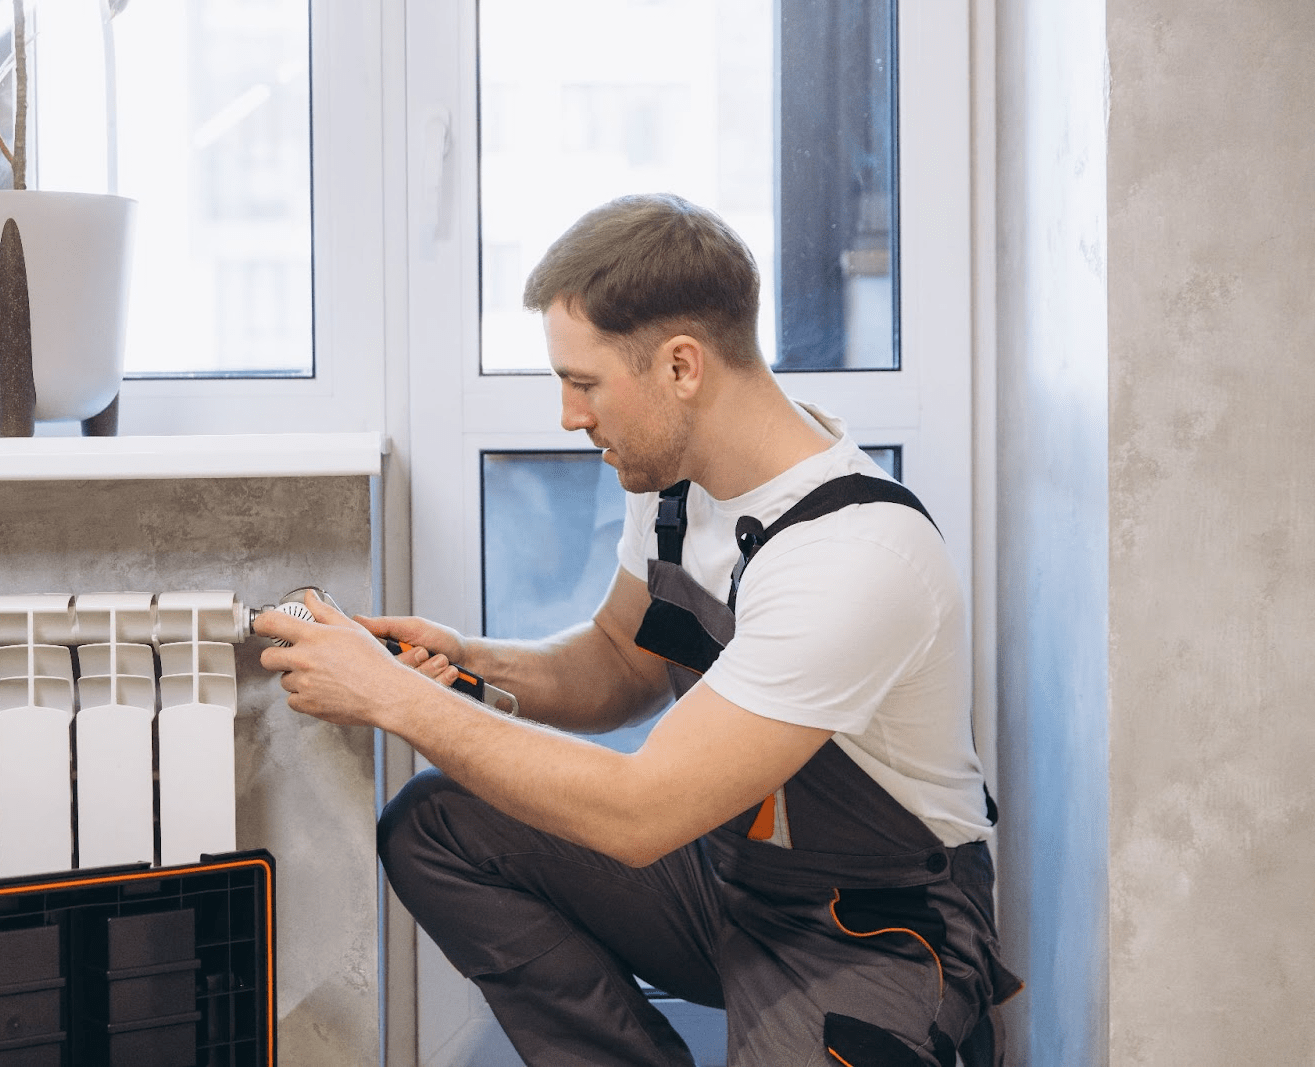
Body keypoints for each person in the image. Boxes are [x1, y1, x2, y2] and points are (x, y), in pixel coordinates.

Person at [255, 193, 1020, 1067]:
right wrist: (468, 660)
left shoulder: (854, 553)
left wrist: (392, 698)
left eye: (583, 383)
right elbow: (621, 660)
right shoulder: (675, 485)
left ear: (682, 366)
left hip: (871, 924)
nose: (570, 417)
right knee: (438, 824)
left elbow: (641, 814)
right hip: (726, 875)